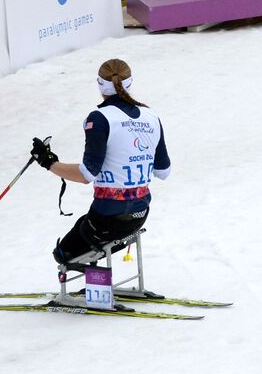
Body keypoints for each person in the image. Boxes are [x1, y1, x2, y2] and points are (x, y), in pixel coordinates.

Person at [30, 59, 171, 269]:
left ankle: (97, 288)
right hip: (139, 215)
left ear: (100, 84)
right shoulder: (151, 116)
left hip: (107, 217)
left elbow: (87, 174)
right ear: (130, 82)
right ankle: (100, 282)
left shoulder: (99, 118)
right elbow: (163, 171)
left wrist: (49, 162)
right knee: (86, 228)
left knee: (63, 253)